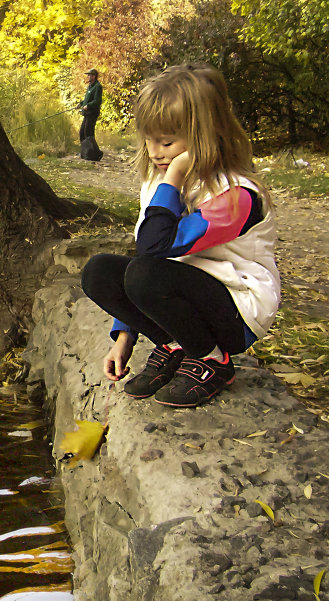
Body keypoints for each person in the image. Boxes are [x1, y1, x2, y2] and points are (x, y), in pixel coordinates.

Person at [80, 63, 279, 407]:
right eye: (149, 139)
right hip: (183, 292)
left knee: (144, 272)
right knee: (98, 271)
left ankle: (212, 359)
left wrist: (174, 176)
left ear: (205, 134)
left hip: (237, 308)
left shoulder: (237, 196)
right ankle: (174, 344)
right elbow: (145, 255)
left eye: (167, 141)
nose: (155, 151)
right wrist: (124, 336)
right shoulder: (158, 182)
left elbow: (154, 248)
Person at [77, 69, 103, 143]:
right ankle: (85, 150)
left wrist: (88, 106)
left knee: (88, 133)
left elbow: (97, 101)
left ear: (94, 76)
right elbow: (87, 99)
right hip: (87, 113)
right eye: (87, 75)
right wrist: (81, 104)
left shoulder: (98, 86)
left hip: (92, 113)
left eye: (89, 75)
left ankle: (91, 152)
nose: (88, 76)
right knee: (82, 133)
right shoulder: (90, 86)